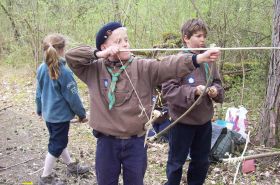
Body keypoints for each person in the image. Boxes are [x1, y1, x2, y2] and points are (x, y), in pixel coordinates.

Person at [65, 21, 220, 185]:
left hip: (136, 143)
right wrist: (98, 54)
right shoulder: (93, 70)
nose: (125, 44)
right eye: (118, 42)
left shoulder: (142, 67)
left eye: (126, 40)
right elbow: (71, 56)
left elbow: (168, 65)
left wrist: (199, 58)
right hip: (106, 143)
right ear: (104, 47)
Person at [162, 18, 225, 185]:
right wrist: (194, 91)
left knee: (201, 162)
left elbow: (218, 83)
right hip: (181, 121)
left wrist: (214, 91)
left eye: (204, 36)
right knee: (176, 163)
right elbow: (168, 91)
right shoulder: (177, 61)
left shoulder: (210, 61)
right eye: (198, 36)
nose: (202, 39)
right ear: (186, 38)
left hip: (204, 122)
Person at [36, 33, 90, 185]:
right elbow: (73, 98)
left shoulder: (41, 68)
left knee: (59, 140)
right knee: (57, 144)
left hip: (48, 115)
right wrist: (81, 114)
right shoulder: (64, 72)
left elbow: (38, 92)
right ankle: (45, 177)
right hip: (59, 118)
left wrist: (40, 109)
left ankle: (71, 165)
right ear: (62, 50)